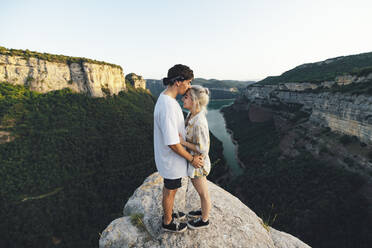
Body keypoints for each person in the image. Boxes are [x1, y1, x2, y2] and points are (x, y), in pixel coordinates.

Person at [153, 64, 204, 233]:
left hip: (171, 159)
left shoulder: (166, 98)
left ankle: (170, 214)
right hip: (171, 160)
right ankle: (167, 222)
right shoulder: (167, 106)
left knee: (171, 189)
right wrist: (192, 159)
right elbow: (172, 143)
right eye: (188, 82)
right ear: (178, 82)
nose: (189, 86)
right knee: (170, 190)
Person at [179, 85, 212, 230]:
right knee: (201, 192)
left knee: (203, 193)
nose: (183, 99)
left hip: (198, 164)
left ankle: (204, 220)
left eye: (186, 97)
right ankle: (203, 211)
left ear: (194, 101)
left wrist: (182, 142)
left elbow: (202, 148)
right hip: (193, 162)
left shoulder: (199, 122)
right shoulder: (191, 115)